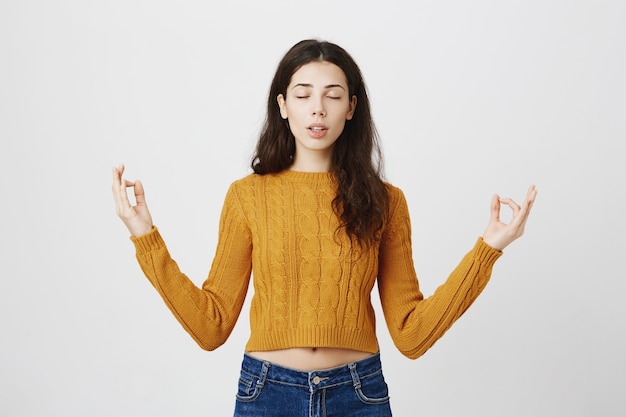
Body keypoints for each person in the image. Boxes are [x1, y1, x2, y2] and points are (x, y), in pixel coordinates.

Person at [112, 39, 537, 417]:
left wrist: (488, 249)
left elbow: (411, 334)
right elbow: (212, 325)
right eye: (303, 94)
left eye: (333, 96)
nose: (318, 108)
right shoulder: (247, 196)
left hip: (359, 394)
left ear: (351, 107)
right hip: (266, 394)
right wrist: (144, 236)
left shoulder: (387, 202)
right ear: (282, 105)